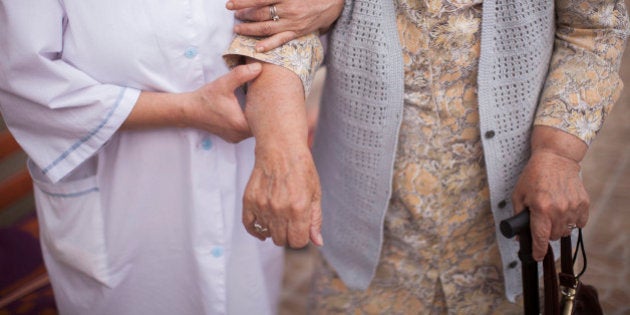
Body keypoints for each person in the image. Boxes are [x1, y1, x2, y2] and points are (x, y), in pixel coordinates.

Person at [226, 0, 629, 313]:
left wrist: (558, 153)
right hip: (365, 238)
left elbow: (594, 29)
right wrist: (282, 153)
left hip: (510, 239)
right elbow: (280, 26)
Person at [0, 1, 336, 314]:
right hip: (123, 199)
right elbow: (25, 82)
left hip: (239, 173)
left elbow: (291, 19)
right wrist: (188, 109)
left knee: (242, 296)